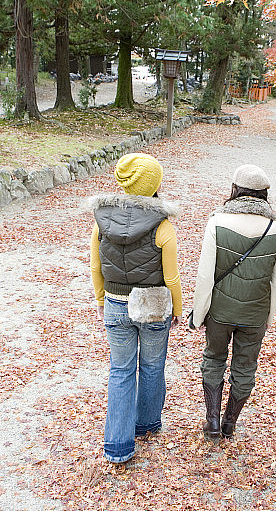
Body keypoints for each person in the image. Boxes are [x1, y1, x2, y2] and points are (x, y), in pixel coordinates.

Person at [89, 152, 182, 464]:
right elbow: (172, 277)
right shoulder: (163, 226)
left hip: (115, 302)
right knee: (153, 366)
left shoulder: (101, 219)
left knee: (121, 370)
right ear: (154, 183)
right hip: (153, 304)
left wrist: (102, 300)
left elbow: (95, 266)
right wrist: (177, 309)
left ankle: (117, 446)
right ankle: (146, 424)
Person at [191, 164, 276, 440]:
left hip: (220, 312)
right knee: (245, 367)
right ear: (264, 194)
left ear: (235, 189)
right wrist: (268, 318)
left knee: (214, 358)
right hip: (255, 314)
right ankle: (230, 423)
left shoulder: (217, 222)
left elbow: (205, 276)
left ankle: (211, 422)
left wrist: (199, 315)